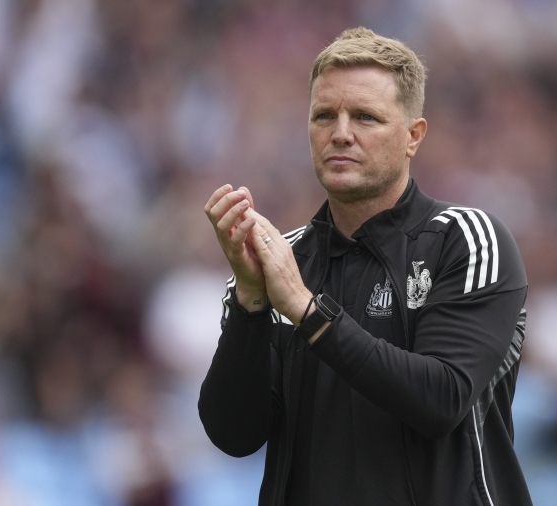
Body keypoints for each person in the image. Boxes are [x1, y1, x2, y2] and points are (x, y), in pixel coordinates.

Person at [199, 27, 532, 506]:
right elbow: (233, 435)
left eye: (365, 117)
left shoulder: (467, 238)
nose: (340, 133)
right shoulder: (279, 263)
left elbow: (441, 400)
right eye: (324, 115)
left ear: (413, 136)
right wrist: (250, 305)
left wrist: (307, 311)